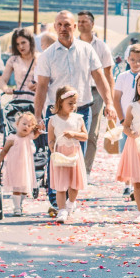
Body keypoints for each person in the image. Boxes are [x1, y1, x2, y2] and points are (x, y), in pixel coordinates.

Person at [32, 11, 115, 217]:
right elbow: (41, 87)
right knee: (57, 153)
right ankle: (56, 201)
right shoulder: (47, 55)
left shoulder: (87, 50)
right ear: (54, 27)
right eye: (59, 24)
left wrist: (109, 103)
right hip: (56, 113)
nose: (63, 28)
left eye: (67, 24)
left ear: (74, 27)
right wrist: (38, 116)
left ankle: (70, 200)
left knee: (77, 155)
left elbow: (100, 77)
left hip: (82, 110)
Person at [76, 10, 116, 173]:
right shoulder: (73, 44)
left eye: (84, 21)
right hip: (76, 91)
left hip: (95, 92)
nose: (81, 24)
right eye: (78, 21)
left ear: (92, 24)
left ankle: (85, 169)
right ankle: (73, 168)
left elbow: (108, 75)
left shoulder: (101, 46)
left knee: (91, 132)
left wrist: (110, 102)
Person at [116, 72, 140, 222]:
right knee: (138, 182)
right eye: (139, 85)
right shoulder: (132, 106)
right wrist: (131, 133)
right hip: (135, 145)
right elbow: (126, 126)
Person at [46, 86, 88, 223]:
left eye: (75, 103)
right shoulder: (53, 120)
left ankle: (71, 203)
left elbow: (85, 136)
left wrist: (74, 134)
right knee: (61, 185)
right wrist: (53, 151)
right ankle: (62, 210)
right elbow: (51, 140)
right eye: (70, 103)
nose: (73, 106)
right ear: (60, 102)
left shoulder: (78, 118)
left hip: (74, 153)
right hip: (60, 154)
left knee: (74, 184)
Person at [113, 44, 140, 197]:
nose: (136, 63)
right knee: (127, 153)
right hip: (126, 122)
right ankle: (128, 184)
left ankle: (138, 184)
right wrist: (121, 120)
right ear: (128, 60)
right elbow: (116, 99)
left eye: (139, 60)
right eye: (132, 60)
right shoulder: (122, 77)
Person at [0, 111, 39, 216]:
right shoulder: (12, 138)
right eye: (24, 124)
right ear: (17, 124)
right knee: (16, 188)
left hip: (26, 167)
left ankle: (20, 203)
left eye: (29, 126)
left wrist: (38, 128)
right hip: (15, 167)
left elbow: (37, 134)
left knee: (24, 189)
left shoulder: (29, 137)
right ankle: (16, 207)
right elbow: (4, 150)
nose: (26, 127)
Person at [0, 29, 39, 105]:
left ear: (30, 41)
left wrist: (40, 85)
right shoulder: (13, 60)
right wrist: (6, 89)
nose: (21, 46)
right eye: (17, 44)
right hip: (20, 101)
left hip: (38, 100)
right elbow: (2, 80)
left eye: (23, 42)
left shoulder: (41, 58)